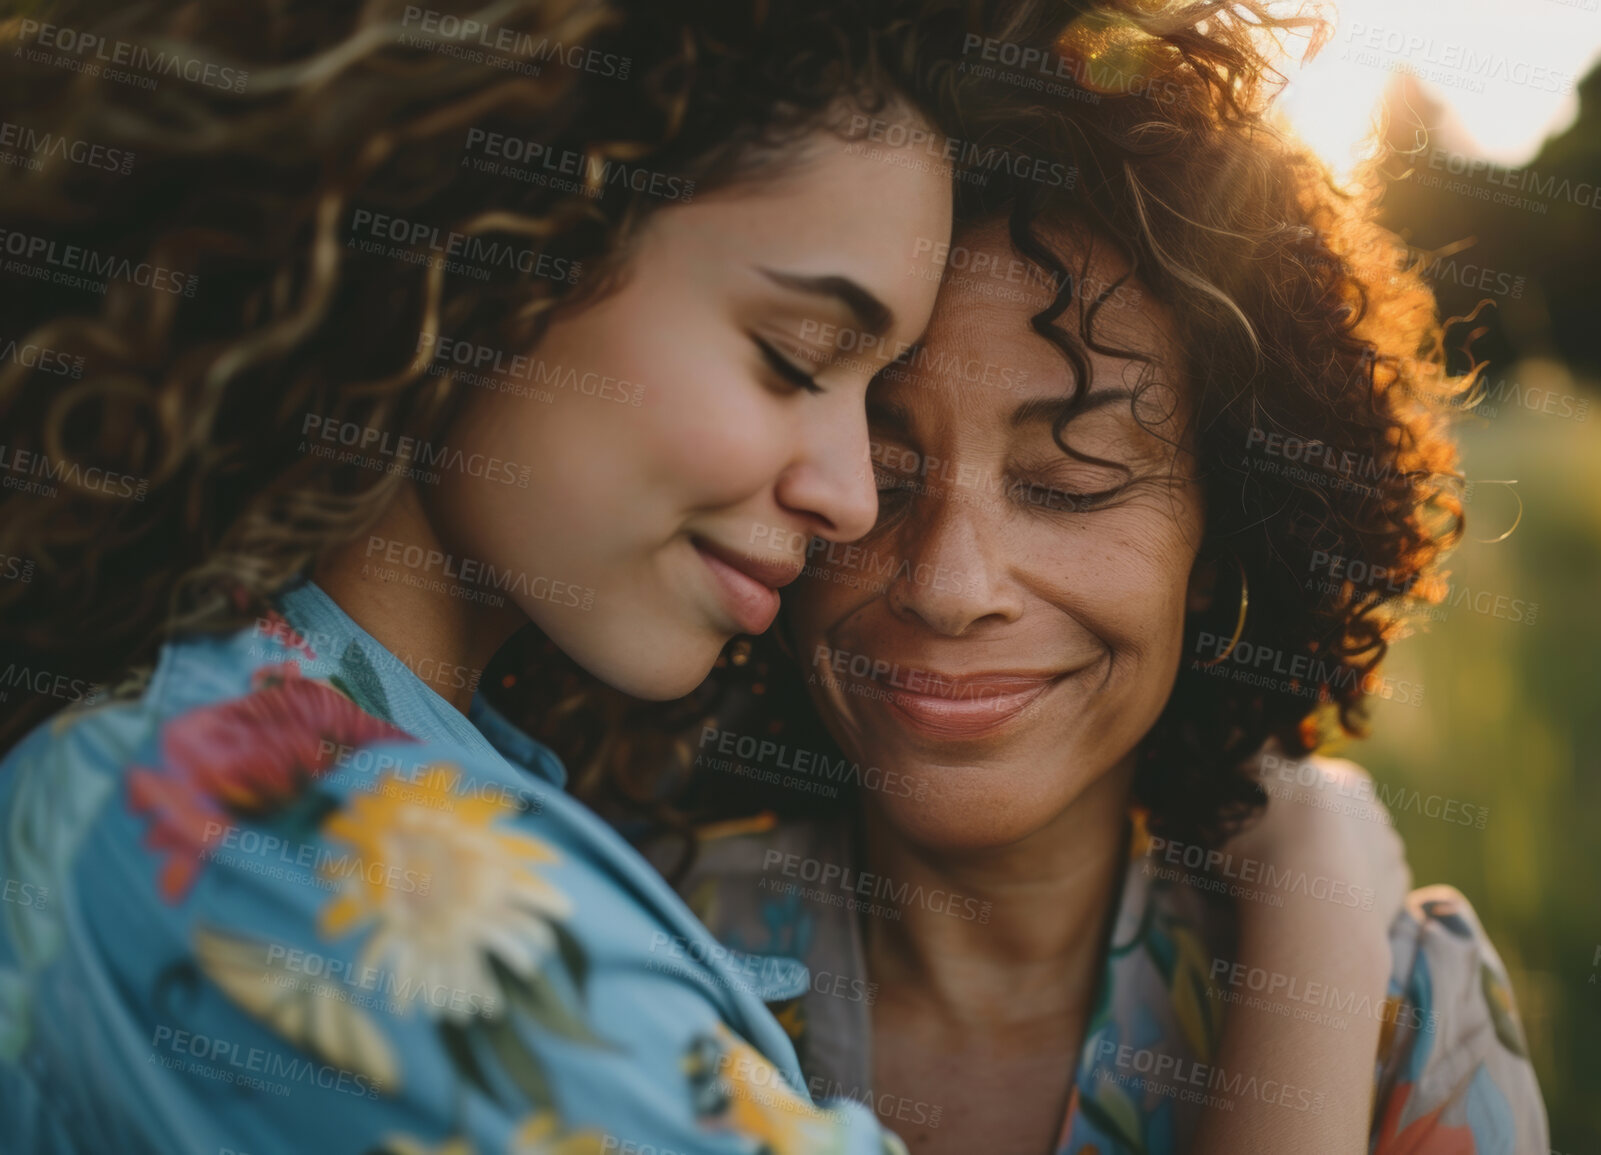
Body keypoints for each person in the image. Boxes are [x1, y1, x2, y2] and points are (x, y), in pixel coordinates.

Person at [0, 0, 1034, 1150]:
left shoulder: (302, 747)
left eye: (872, 401)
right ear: (500, 254)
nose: (849, 496)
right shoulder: (262, 831)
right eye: (793, 358)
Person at [547, 8, 1550, 1153]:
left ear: (1222, 543)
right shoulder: (608, 947)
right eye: (881, 469)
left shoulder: (1400, 1015)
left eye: (1071, 485)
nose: (947, 584)